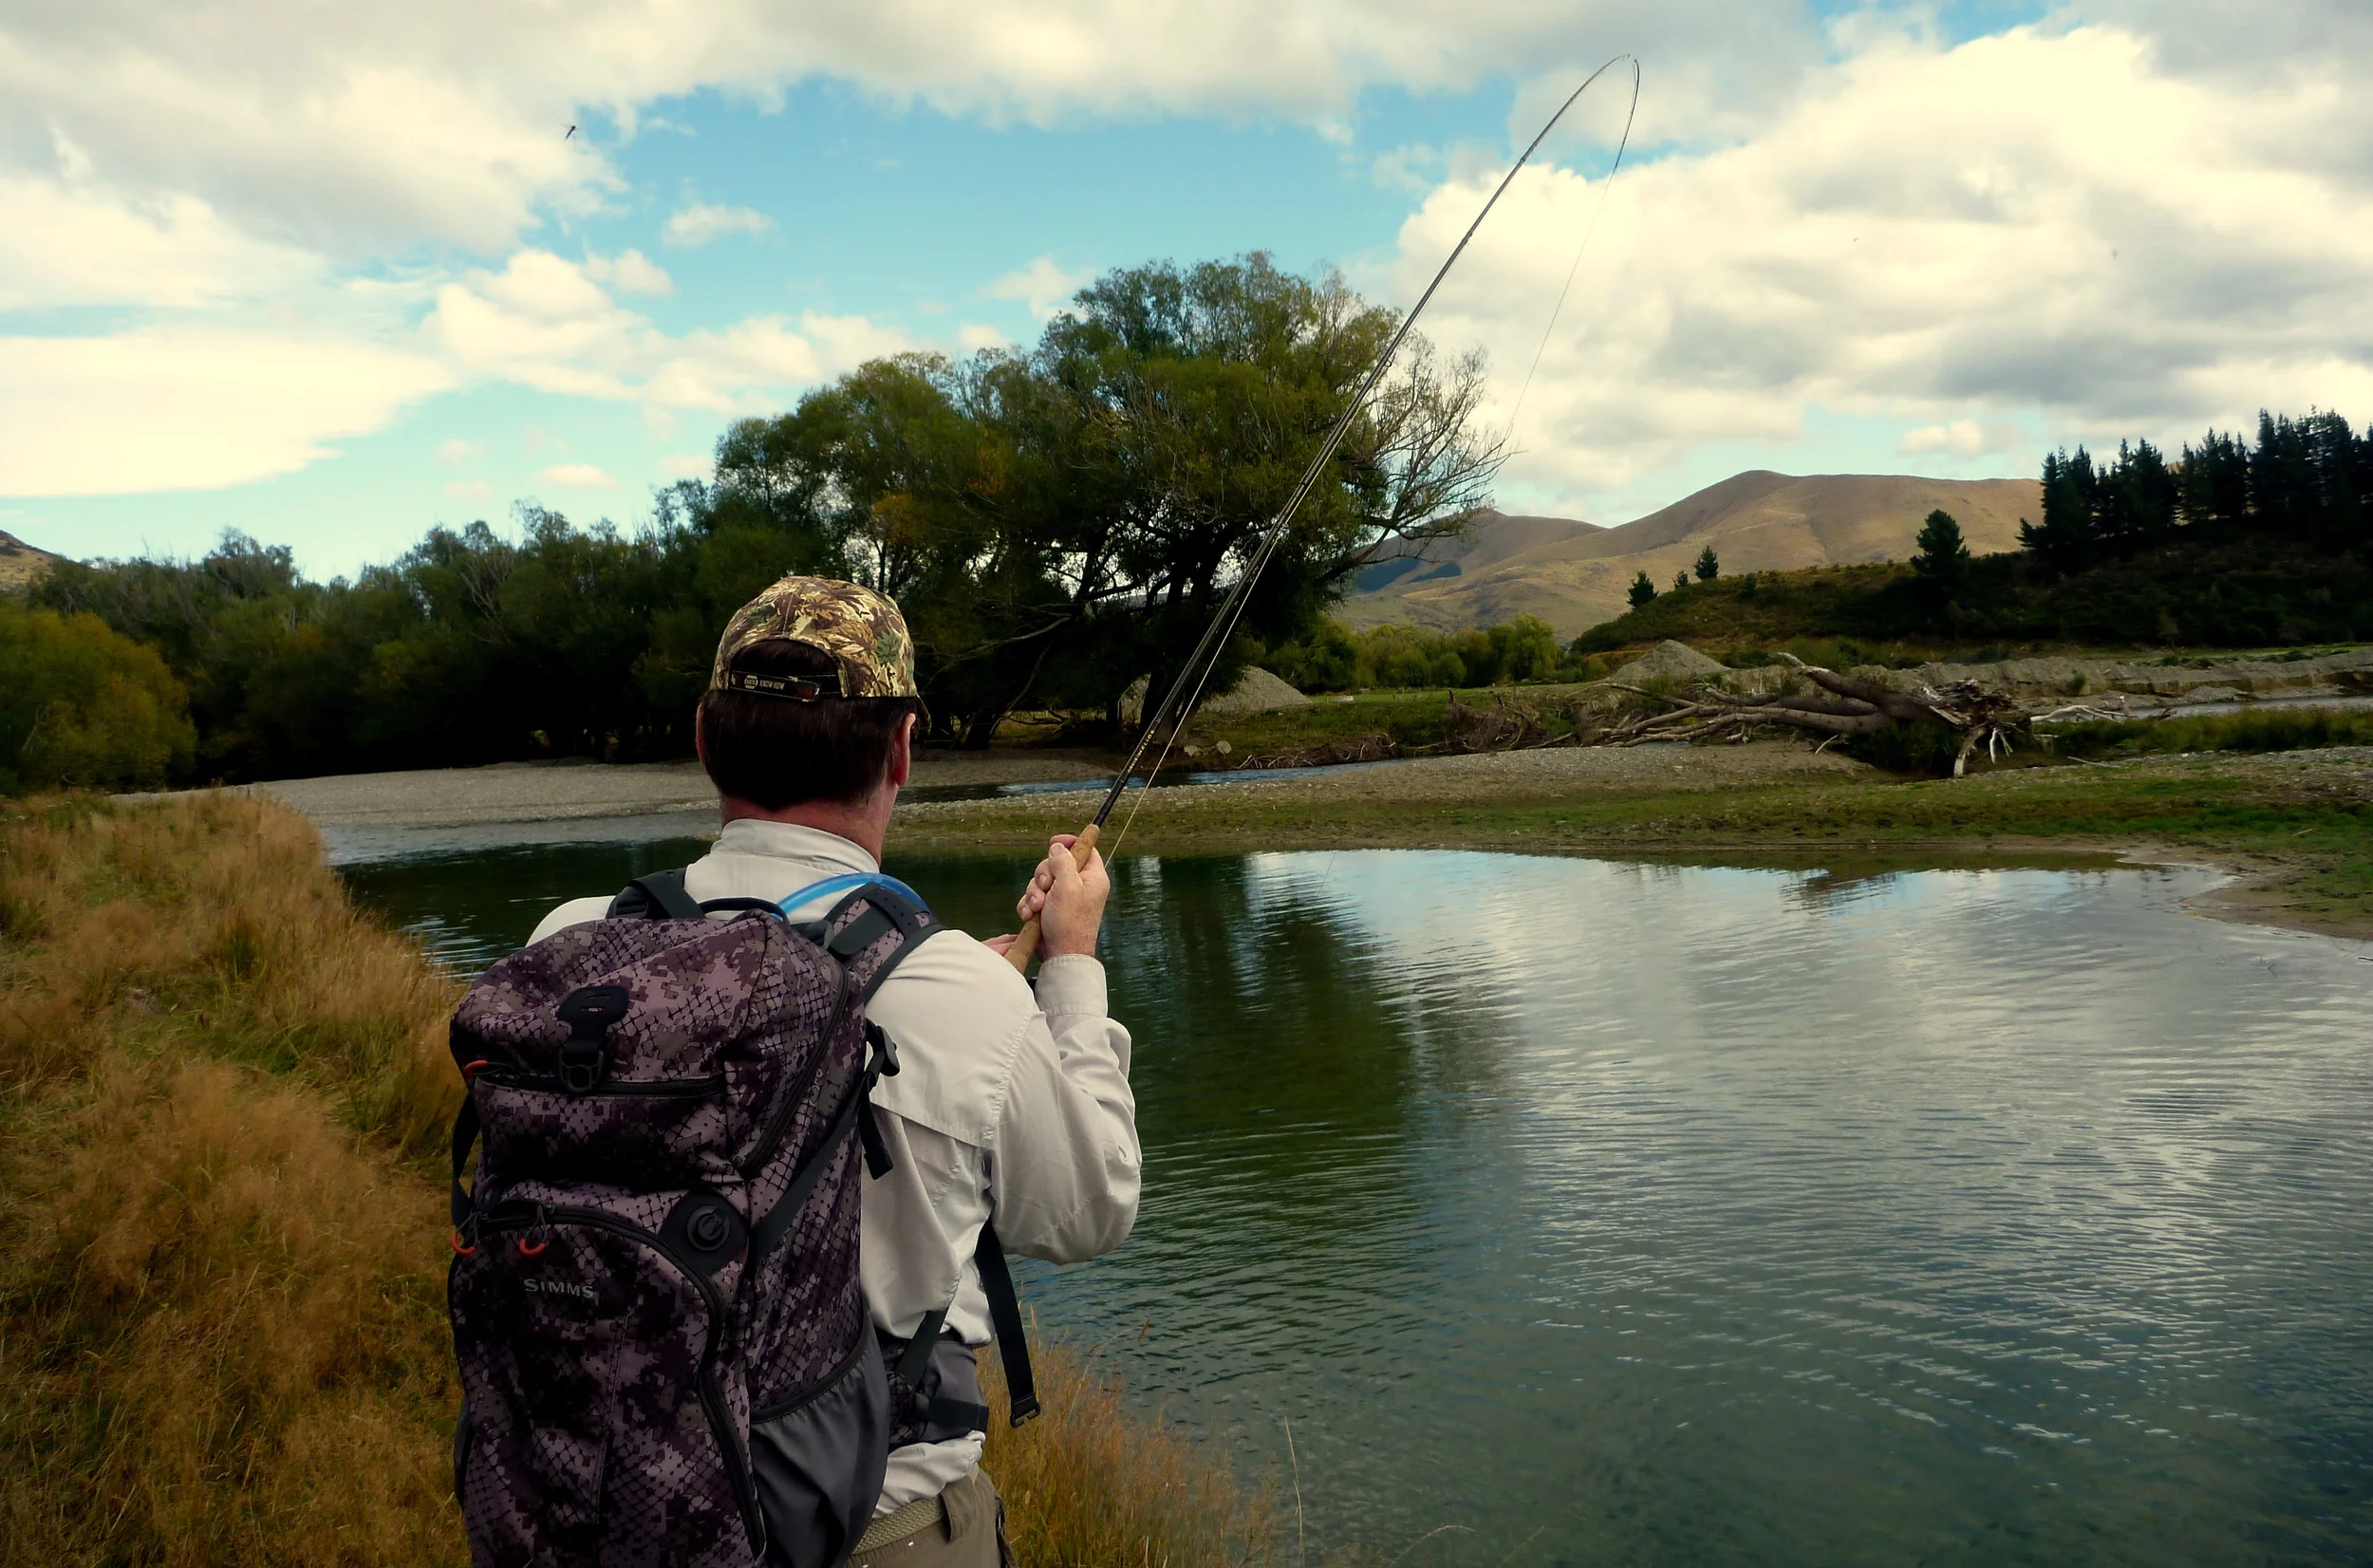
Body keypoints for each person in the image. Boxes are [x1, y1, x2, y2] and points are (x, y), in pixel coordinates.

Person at [528, 575, 1140, 1567]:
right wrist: (1066, 965)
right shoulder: (956, 993)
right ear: (900, 746)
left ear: (702, 735)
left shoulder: (567, 946)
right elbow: (1092, 1207)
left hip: (604, 1517)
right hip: (878, 1533)